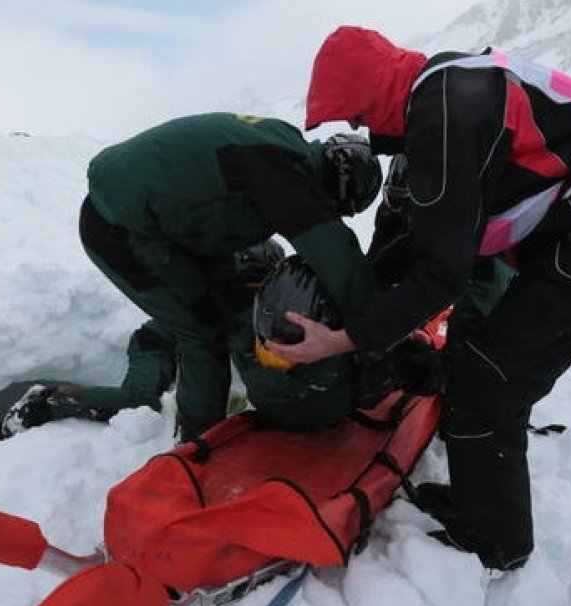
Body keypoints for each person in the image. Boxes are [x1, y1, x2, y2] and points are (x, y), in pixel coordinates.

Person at [271, 26, 571, 572]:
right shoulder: (451, 87)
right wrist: (362, 283)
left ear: (374, 91)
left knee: (490, 379)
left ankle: (499, 543)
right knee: (481, 366)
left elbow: (444, 272)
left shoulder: (443, 112)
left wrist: (344, 340)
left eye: (357, 114)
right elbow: (440, 233)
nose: (357, 127)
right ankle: (479, 504)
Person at [71, 112, 382, 440]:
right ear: (342, 187)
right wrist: (377, 337)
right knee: (202, 333)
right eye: (341, 209)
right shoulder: (287, 175)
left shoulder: (285, 148)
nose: (333, 214)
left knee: (220, 311)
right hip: (122, 232)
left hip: (168, 227)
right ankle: (195, 445)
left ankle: (199, 399)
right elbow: (335, 253)